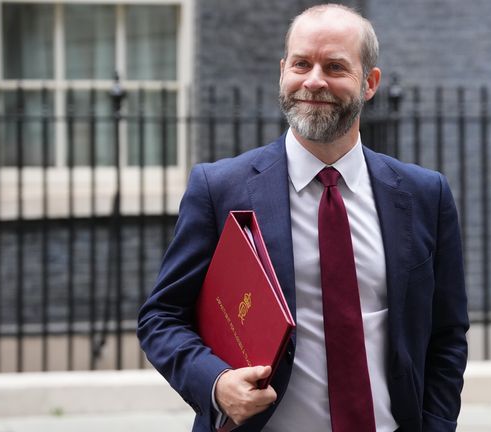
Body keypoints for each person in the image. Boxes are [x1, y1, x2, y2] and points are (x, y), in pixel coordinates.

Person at [137, 4, 468, 431]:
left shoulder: (425, 195)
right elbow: (161, 317)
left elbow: (447, 334)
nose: (314, 81)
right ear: (282, 71)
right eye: (301, 64)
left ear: (369, 83)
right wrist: (216, 384)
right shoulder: (219, 189)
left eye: (334, 67)